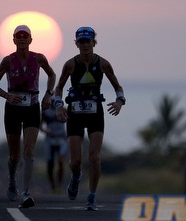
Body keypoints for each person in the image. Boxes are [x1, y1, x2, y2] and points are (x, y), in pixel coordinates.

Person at [54, 27, 126, 210]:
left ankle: (92, 196)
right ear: (76, 44)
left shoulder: (103, 64)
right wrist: (58, 106)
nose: (85, 45)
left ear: (94, 43)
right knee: (76, 161)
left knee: (94, 157)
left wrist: (119, 101)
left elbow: (118, 87)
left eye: (88, 41)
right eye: (81, 42)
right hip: (75, 113)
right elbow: (59, 88)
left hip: (95, 113)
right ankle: (76, 177)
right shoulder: (70, 65)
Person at [0, 25, 56, 208]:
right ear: (13, 40)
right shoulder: (8, 61)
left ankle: (25, 193)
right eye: (18, 37)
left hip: (33, 107)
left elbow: (52, 74)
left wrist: (48, 94)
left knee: (29, 150)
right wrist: (7, 95)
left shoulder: (39, 58)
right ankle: (12, 180)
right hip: (13, 108)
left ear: (31, 39)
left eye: (25, 36)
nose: (22, 39)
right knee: (14, 155)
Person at [40, 98, 67, 193]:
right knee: (50, 164)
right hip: (50, 139)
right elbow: (40, 125)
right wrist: (46, 131)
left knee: (60, 161)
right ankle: (53, 186)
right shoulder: (45, 112)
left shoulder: (62, 110)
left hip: (61, 138)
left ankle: (59, 185)